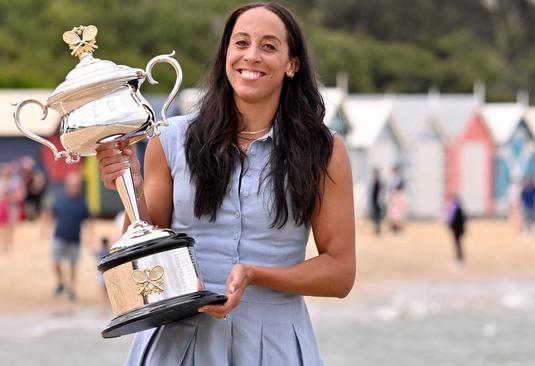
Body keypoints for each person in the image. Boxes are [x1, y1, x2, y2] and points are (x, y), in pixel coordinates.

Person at [96, 3, 355, 364]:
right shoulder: (170, 139)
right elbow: (141, 256)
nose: (252, 56)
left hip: (275, 344)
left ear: (292, 64)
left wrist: (255, 275)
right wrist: (132, 190)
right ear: (225, 54)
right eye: (241, 43)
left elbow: (340, 274)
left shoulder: (324, 151)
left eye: (268, 46)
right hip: (178, 344)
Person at [48, 172, 92, 302]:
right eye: (71, 185)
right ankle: (61, 282)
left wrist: (90, 236)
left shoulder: (82, 203)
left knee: (73, 265)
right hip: (59, 236)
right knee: (55, 261)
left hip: (75, 239)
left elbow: (89, 220)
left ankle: (72, 288)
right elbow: (51, 213)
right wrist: (45, 229)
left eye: (76, 185)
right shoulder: (60, 200)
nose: (74, 188)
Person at [445, 193, 467, 266]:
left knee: (458, 244)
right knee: (457, 244)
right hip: (456, 229)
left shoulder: (457, 208)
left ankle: (459, 259)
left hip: (457, 230)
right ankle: (458, 258)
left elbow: (458, 220)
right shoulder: (455, 208)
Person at [369, 167, 384, 235]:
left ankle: (378, 229)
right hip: (374, 200)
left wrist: (380, 200)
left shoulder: (379, 181)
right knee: (375, 215)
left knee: (377, 215)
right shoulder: (373, 181)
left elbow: (381, 192)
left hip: (378, 201)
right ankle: (376, 229)